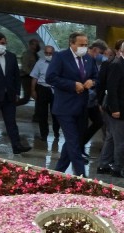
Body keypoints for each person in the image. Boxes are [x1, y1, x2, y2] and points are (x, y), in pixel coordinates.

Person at [46, 32, 97, 177]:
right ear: (72, 44)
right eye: (81, 45)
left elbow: (96, 77)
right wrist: (72, 85)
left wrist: (92, 82)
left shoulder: (88, 59)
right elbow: (51, 77)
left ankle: (58, 173)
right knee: (73, 141)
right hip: (65, 107)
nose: (84, 47)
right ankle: (81, 176)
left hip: (82, 106)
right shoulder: (61, 57)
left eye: (86, 44)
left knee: (74, 141)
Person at [97, 39, 124, 179]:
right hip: (118, 110)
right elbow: (112, 88)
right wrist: (115, 109)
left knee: (110, 137)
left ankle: (103, 165)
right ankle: (118, 168)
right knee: (121, 140)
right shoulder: (117, 65)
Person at [81, 39, 108, 156]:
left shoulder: (93, 61)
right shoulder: (84, 59)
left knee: (98, 121)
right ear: (95, 50)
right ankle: (78, 148)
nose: (102, 56)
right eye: (101, 53)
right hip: (84, 99)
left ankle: (80, 144)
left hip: (92, 100)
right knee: (82, 125)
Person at [29, 45, 59, 140]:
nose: (48, 55)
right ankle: (44, 134)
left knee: (56, 113)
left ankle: (56, 132)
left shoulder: (59, 63)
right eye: (47, 53)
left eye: (50, 53)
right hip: (42, 89)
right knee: (42, 114)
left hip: (55, 90)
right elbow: (34, 77)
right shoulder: (40, 63)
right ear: (44, 53)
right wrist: (33, 90)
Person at [16, 38, 40, 106]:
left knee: (37, 96)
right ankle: (10, 106)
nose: (36, 46)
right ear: (30, 45)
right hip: (27, 78)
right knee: (26, 98)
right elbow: (25, 67)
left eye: (37, 44)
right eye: (35, 44)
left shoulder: (35, 54)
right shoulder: (27, 54)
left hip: (33, 78)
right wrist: (33, 75)